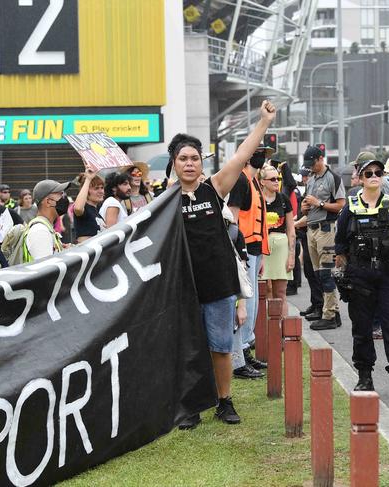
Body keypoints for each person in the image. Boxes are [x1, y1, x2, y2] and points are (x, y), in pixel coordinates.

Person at [168, 100, 276, 429]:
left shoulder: (214, 189)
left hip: (218, 285)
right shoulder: (163, 201)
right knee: (188, 349)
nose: (189, 163)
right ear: (174, 163)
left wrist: (263, 123)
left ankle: (224, 401)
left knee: (220, 346)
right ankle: (189, 406)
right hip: (183, 288)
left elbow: (242, 156)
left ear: (202, 163)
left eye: (194, 158)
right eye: (183, 158)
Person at [334, 159, 389, 400]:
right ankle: (364, 377)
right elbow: (340, 245)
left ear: (382, 176)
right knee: (362, 329)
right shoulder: (350, 207)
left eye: (377, 172)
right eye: (368, 173)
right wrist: (344, 273)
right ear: (359, 178)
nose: (373, 176)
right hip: (360, 276)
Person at [227, 146, 272, 371]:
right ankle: (240, 354)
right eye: (258, 153)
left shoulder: (253, 182)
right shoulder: (241, 181)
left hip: (254, 248)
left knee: (251, 303)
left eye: (264, 154)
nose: (261, 158)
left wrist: (261, 254)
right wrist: (238, 253)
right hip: (244, 249)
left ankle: (245, 349)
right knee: (245, 302)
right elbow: (232, 219)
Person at [301, 145, 346, 330]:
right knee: (318, 273)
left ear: (321, 159)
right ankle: (329, 311)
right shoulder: (311, 179)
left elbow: (341, 205)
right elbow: (308, 202)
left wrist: (318, 203)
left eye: (313, 163)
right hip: (311, 228)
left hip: (326, 229)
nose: (310, 167)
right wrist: (305, 207)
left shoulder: (333, 178)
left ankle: (330, 315)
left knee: (326, 273)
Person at [259, 164, 295, 318]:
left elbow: (291, 229)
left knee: (280, 291)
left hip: (281, 248)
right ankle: (267, 328)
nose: (276, 181)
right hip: (262, 248)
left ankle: (282, 329)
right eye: (272, 179)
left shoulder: (283, 199)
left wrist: (292, 255)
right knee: (265, 290)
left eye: (278, 178)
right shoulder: (257, 199)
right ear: (262, 182)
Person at [295, 168, 324, 320]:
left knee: (315, 273)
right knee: (309, 271)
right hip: (306, 234)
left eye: (308, 176)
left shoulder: (317, 191)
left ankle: (320, 306)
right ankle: (315, 303)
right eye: (304, 176)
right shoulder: (309, 189)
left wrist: (292, 224)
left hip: (313, 233)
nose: (305, 179)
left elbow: (312, 216)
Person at [24, 179, 71, 261]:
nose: (64, 198)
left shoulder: (46, 227)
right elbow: (46, 270)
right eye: (60, 194)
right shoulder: (40, 231)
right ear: (48, 202)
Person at [73, 170, 105, 243]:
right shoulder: (85, 208)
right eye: (96, 188)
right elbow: (78, 208)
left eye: (102, 187)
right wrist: (88, 179)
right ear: (87, 191)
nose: (101, 191)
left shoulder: (97, 212)